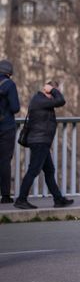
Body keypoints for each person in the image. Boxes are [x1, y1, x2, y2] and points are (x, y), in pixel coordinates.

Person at [13, 81, 73, 210]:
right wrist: (52, 90)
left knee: (49, 171)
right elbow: (61, 101)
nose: (55, 95)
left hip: (42, 141)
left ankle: (58, 199)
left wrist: (52, 91)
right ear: (48, 91)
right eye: (54, 92)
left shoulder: (41, 100)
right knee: (33, 170)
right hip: (39, 142)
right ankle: (21, 200)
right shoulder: (39, 100)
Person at [0, 60, 20, 203]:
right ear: (9, 73)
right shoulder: (9, 85)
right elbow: (15, 108)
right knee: (5, 160)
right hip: (6, 127)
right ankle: (5, 196)